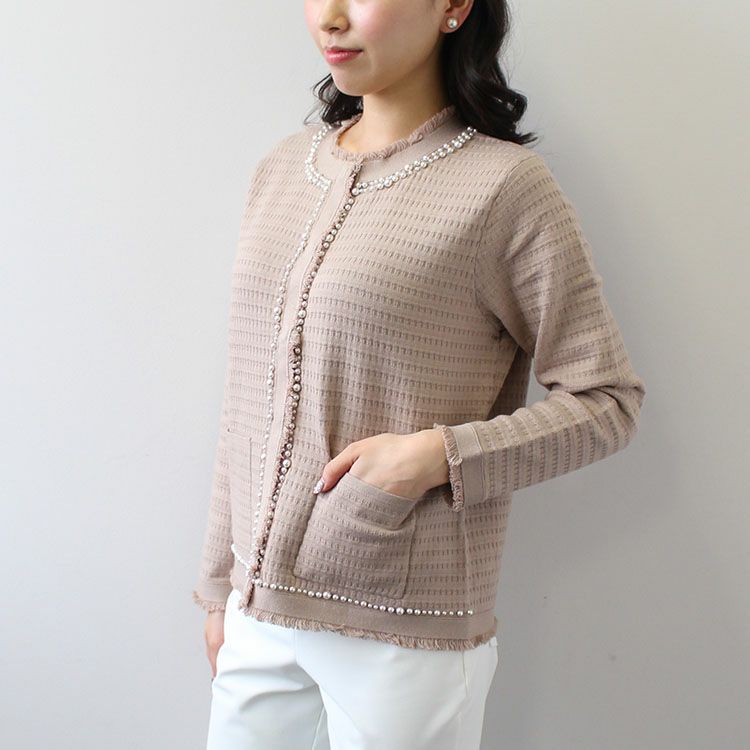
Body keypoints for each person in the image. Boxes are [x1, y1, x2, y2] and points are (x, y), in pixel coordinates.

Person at [193, 1, 647, 748]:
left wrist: (437, 456)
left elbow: (608, 403)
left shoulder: (504, 187)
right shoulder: (281, 169)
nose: (330, 17)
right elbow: (245, 396)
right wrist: (219, 585)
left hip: (402, 632)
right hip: (255, 617)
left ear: (454, 7)